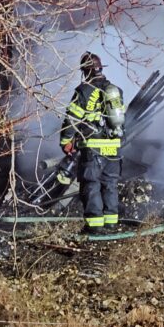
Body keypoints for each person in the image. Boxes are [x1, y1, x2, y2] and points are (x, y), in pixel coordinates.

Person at [60, 52, 124, 234]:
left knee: (91, 184)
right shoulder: (116, 90)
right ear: (100, 68)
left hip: (92, 146)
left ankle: (95, 226)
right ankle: (111, 222)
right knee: (110, 184)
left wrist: (65, 141)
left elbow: (71, 120)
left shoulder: (83, 91)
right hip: (113, 146)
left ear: (85, 71)